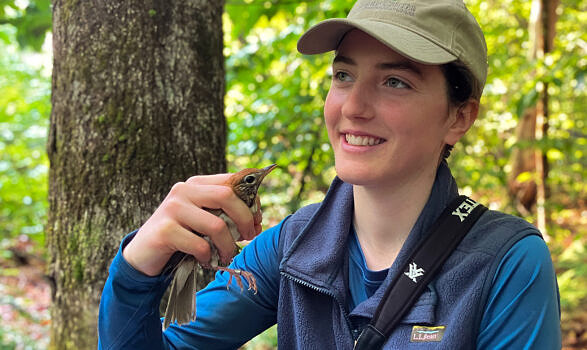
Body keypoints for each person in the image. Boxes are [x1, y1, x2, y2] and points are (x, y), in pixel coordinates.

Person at [98, 0, 562, 348]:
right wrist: (138, 267)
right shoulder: (292, 245)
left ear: (459, 117)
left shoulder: (506, 264)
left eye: (395, 81)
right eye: (343, 75)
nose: (353, 107)